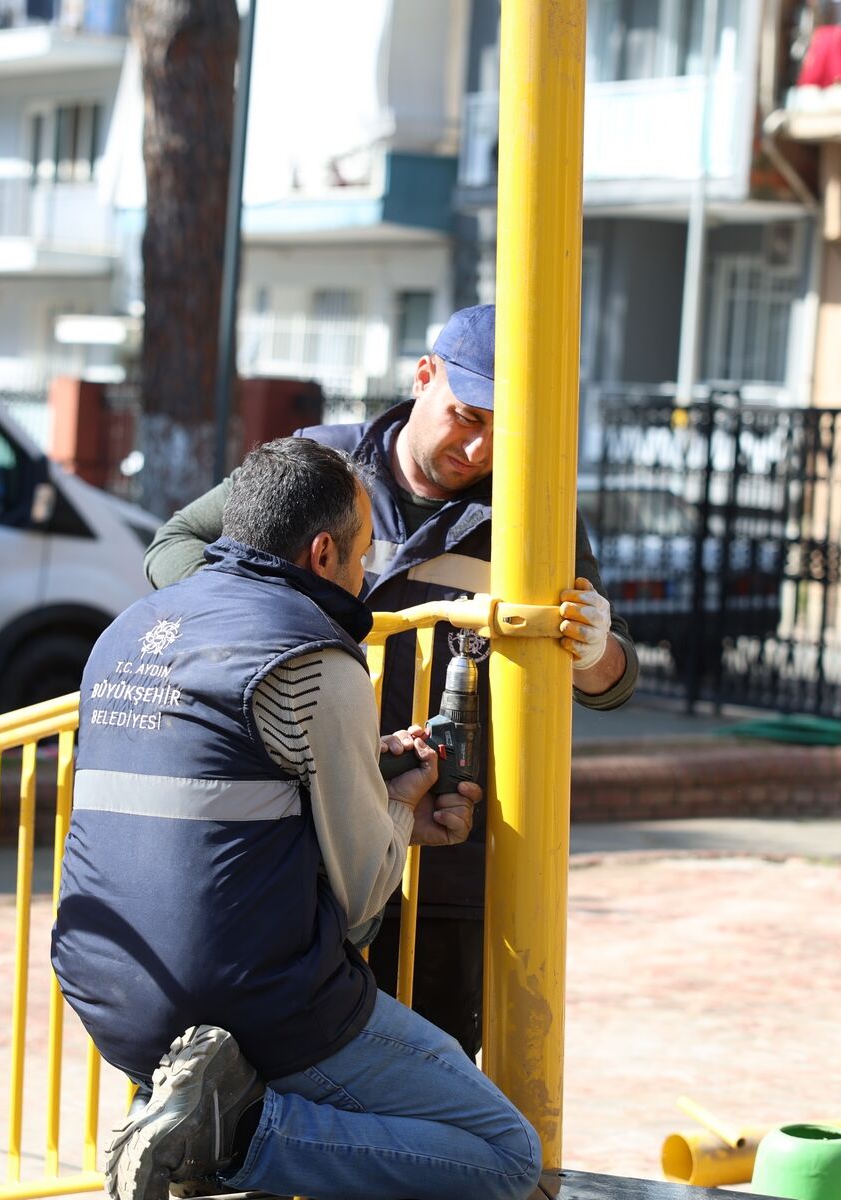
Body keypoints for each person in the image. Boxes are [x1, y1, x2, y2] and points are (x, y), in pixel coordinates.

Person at [52, 438, 542, 1200]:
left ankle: (181, 1111)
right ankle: (235, 1130)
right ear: (322, 553)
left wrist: (363, 770)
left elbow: (219, 788)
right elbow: (362, 892)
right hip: (253, 1001)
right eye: (360, 559)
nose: (363, 578)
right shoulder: (312, 655)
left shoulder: (126, 633)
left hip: (106, 991)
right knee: (506, 1155)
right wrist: (404, 807)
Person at [145, 303, 638, 1058]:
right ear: (423, 376)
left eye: (501, 431)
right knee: (282, 1074)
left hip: (450, 853)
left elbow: (612, 682)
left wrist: (594, 648)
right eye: (465, 414)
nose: (476, 447)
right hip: (302, 841)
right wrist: (250, 622)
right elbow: (175, 546)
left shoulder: (537, 514)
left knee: (425, 1086)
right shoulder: (317, 467)